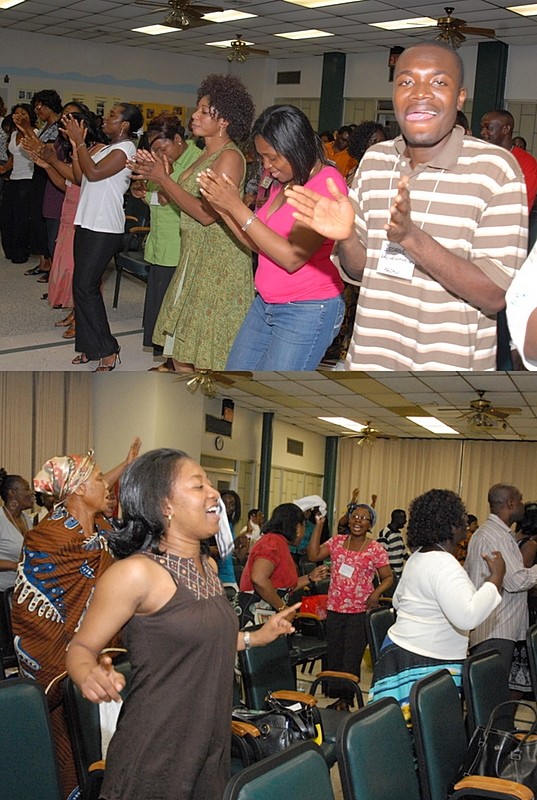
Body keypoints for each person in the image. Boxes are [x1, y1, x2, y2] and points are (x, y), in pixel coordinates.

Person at [65, 448, 298, 800]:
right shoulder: (135, 574)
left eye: (209, 484)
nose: (214, 493)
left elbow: (201, 641)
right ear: (164, 505)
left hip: (210, 741)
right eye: (198, 485)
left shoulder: (206, 566)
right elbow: (80, 648)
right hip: (156, 746)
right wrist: (88, 674)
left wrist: (257, 638)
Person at [285, 42, 528, 370]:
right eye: (407, 82)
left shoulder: (495, 168)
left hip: (448, 380)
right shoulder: (375, 161)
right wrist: (346, 237)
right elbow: (359, 271)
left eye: (439, 82)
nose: (421, 93)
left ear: (460, 98)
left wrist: (412, 238)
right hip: (369, 367)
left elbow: (495, 295)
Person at [198, 104, 346, 370]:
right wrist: (223, 209)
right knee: (234, 381)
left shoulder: (325, 184)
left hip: (307, 309)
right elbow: (258, 243)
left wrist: (236, 207)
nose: (267, 166)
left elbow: (291, 258)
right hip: (266, 303)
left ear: (296, 147)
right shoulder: (287, 180)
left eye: (273, 157)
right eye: (263, 157)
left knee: (274, 399)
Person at [130, 74, 255, 372]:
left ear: (223, 119)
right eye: (196, 109)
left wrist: (163, 179)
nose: (194, 116)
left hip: (219, 262)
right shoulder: (204, 156)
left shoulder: (230, 158)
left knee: (208, 354)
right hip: (195, 255)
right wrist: (155, 175)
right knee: (183, 350)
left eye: (203, 111)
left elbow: (205, 214)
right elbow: (177, 197)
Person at [369, 489, 505, 726]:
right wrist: (496, 578)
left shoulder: (419, 556)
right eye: (461, 517)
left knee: (401, 736)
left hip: (402, 652)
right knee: (428, 744)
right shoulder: (443, 564)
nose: (466, 523)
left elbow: (398, 601)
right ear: (450, 526)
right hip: (425, 661)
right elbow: (467, 617)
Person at [61, 102, 144, 371]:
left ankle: (108, 349)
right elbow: (80, 175)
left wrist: (80, 143)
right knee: (81, 287)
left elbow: (94, 174)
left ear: (125, 126)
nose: (105, 118)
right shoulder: (106, 148)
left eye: (112, 115)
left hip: (105, 227)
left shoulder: (126, 149)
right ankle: (89, 347)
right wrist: (77, 148)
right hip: (86, 221)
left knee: (86, 286)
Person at [308, 502, 392, 711]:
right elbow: (313, 556)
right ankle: (338, 698)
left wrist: (376, 593)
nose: (358, 521)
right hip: (335, 608)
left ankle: (346, 700)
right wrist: (319, 525)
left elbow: (388, 577)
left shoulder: (375, 548)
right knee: (335, 655)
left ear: (370, 523)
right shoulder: (337, 542)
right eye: (355, 516)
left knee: (351, 657)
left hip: (359, 611)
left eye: (364, 518)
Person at [129, 112, 200, 356]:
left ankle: (172, 358)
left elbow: (171, 198)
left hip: (179, 243)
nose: (160, 155)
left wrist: (152, 193)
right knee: (158, 301)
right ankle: (162, 353)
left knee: (174, 305)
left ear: (178, 139)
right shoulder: (164, 161)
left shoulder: (196, 161)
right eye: (155, 150)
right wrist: (139, 186)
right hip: (161, 240)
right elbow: (152, 191)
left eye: (163, 148)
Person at [465, 483, 537, 695]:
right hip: (496, 629)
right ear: (511, 503)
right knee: (490, 696)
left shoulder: (496, 533)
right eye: (521, 500)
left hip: (498, 626)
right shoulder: (493, 535)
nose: (523, 506)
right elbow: (515, 582)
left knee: (491, 695)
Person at [239, 502, 328, 626]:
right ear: (297, 528)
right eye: (303, 526)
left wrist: (309, 578)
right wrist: (282, 608)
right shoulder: (272, 543)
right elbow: (259, 579)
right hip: (255, 615)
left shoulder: (280, 543)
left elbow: (281, 587)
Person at [0, 103, 37, 264]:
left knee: (21, 218)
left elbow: (36, 153)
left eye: (23, 113)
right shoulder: (13, 134)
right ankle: (9, 250)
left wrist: (25, 129)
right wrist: (3, 169)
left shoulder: (34, 132)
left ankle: (20, 253)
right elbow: (12, 158)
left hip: (28, 179)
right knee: (6, 216)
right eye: (16, 113)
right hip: (13, 178)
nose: (19, 116)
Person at [480, 109, 537, 211]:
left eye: (488, 128)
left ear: (505, 129)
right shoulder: (479, 155)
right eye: (482, 128)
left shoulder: (526, 162)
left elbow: (523, 203)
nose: (482, 133)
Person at [0, 469, 34, 591]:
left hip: (21, 589)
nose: (31, 493)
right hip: (3, 593)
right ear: (12, 493)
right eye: (26, 488)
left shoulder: (26, 518)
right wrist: (15, 565)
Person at [377, 508, 408, 580]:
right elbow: (381, 556)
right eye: (404, 518)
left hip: (399, 576)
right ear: (397, 519)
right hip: (390, 577)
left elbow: (404, 554)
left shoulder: (398, 534)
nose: (405, 521)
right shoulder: (385, 533)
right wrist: (391, 572)